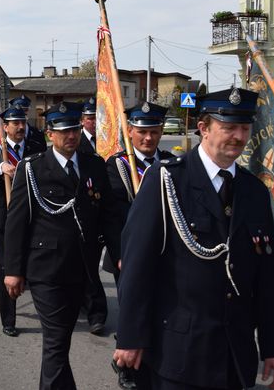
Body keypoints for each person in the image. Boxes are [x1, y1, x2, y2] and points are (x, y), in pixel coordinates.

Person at [114, 88, 274, 390]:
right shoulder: (167, 179)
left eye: (245, 128)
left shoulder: (255, 191)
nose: (238, 136)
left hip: (234, 353)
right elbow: (137, 265)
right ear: (204, 128)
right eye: (229, 127)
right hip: (179, 350)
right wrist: (131, 337)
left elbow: (267, 277)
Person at [4, 103, 117, 390]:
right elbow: (17, 223)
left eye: (75, 130)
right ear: (50, 134)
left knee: (60, 342)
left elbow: (108, 216)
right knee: (56, 341)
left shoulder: (94, 165)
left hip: (82, 269)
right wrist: (13, 270)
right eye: (64, 131)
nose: (71, 136)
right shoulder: (33, 168)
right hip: (46, 271)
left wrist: (120, 255)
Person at [102, 101, 175, 389]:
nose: (148, 138)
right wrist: (121, 254)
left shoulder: (170, 163)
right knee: (132, 307)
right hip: (128, 255)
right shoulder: (117, 166)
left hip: (163, 253)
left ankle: (153, 359)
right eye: (142, 132)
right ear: (130, 132)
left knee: (159, 307)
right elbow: (111, 216)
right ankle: (125, 365)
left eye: (154, 132)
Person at [0, 106, 47, 336]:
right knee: (5, 267)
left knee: (35, 264)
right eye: (15, 123)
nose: (20, 127)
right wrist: (2, 167)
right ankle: (8, 319)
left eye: (23, 122)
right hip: (2, 215)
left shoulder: (35, 146)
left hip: (31, 214)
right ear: (6, 127)